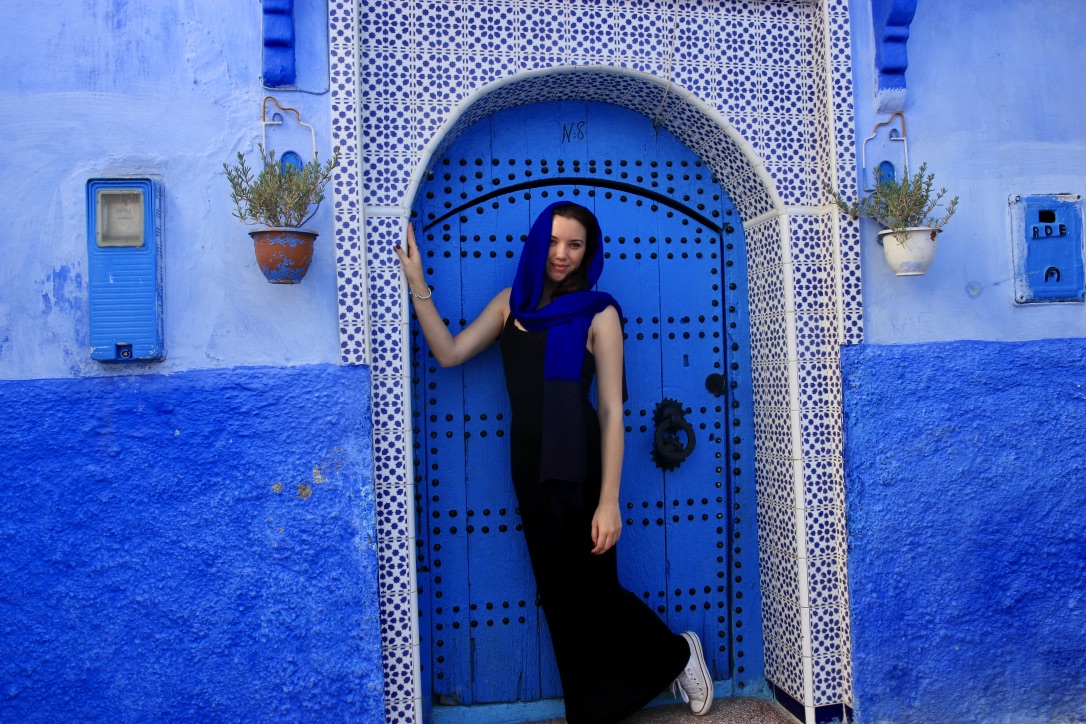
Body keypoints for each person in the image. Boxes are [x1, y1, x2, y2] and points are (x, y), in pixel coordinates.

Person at [395, 201, 714, 723]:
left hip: (581, 465)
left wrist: (609, 500)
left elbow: (612, 411)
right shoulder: (509, 306)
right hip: (527, 464)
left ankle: (679, 654)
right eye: (553, 241)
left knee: (594, 588)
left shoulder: (599, 312)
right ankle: (590, 709)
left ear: (589, 252)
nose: (561, 254)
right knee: (558, 593)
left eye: (575, 244)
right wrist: (417, 284)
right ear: (537, 241)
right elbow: (450, 352)